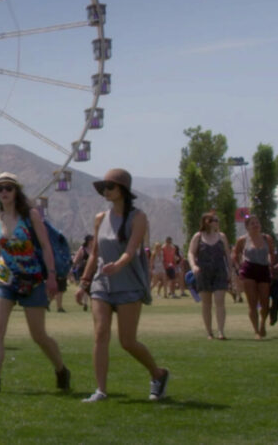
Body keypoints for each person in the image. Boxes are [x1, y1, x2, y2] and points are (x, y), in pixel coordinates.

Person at [75, 168, 169, 402]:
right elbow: (95, 252)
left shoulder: (139, 218)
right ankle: (101, 390)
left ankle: (158, 374)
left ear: (123, 190)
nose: (105, 191)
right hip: (101, 284)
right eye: (104, 187)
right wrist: (84, 282)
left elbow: (132, 250)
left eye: (110, 187)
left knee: (127, 341)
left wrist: (117, 265)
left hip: (128, 284)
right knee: (100, 334)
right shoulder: (100, 218)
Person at [0, 173, 69, 394]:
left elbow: (46, 246)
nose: (4, 192)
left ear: (16, 191)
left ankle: (61, 369)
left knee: (38, 334)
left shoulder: (31, 216)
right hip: (5, 279)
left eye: (8, 188)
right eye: (0, 188)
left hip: (32, 279)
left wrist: (50, 276)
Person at [188, 212, 231, 340]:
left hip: (219, 271)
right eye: (213, 220)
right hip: (203, 272)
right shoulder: (198, 236)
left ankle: (221, 331)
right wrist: (193, 266)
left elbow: (228, 255)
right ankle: (209, 332)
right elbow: (190, 252)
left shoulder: (222, 237)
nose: (216, 222)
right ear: (206, 222)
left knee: (220, 300)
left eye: (217, 220)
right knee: (206, 303)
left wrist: (231, 271)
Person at [233, 215, 275, 339]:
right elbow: (235, 254)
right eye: (252, 223)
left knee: (265, 303)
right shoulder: (242, 240)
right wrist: (238, 267)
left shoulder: (267, 238)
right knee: (252, 303)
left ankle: (263, 324)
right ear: (247, 227)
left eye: (257, 223)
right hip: (248, 270)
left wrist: (271, 266)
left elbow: (272, 253)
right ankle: (256, 330)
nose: (255, 225)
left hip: (263, 270)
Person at [72, 235, 93, 311]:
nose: (92, 240)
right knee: (84, 286)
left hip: (93, 270)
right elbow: (76, 259)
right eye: (91, 239)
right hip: (83, 270)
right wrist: (72, 267)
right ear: (87, 240)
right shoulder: (82, 249)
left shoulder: (95, 248)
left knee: (92, 287)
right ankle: (85, 303)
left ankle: (91, 304)